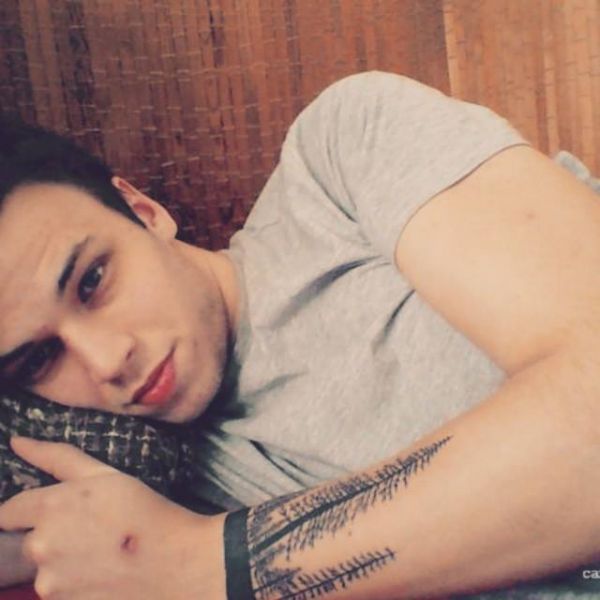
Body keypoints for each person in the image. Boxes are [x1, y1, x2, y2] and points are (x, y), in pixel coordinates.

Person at [0, 71, 599, 599]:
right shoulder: (150, 479)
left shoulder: (337, 162)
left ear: (143, 211)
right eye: (40, 359)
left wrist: (206, 563)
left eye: (93, 280)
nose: (107, 360)